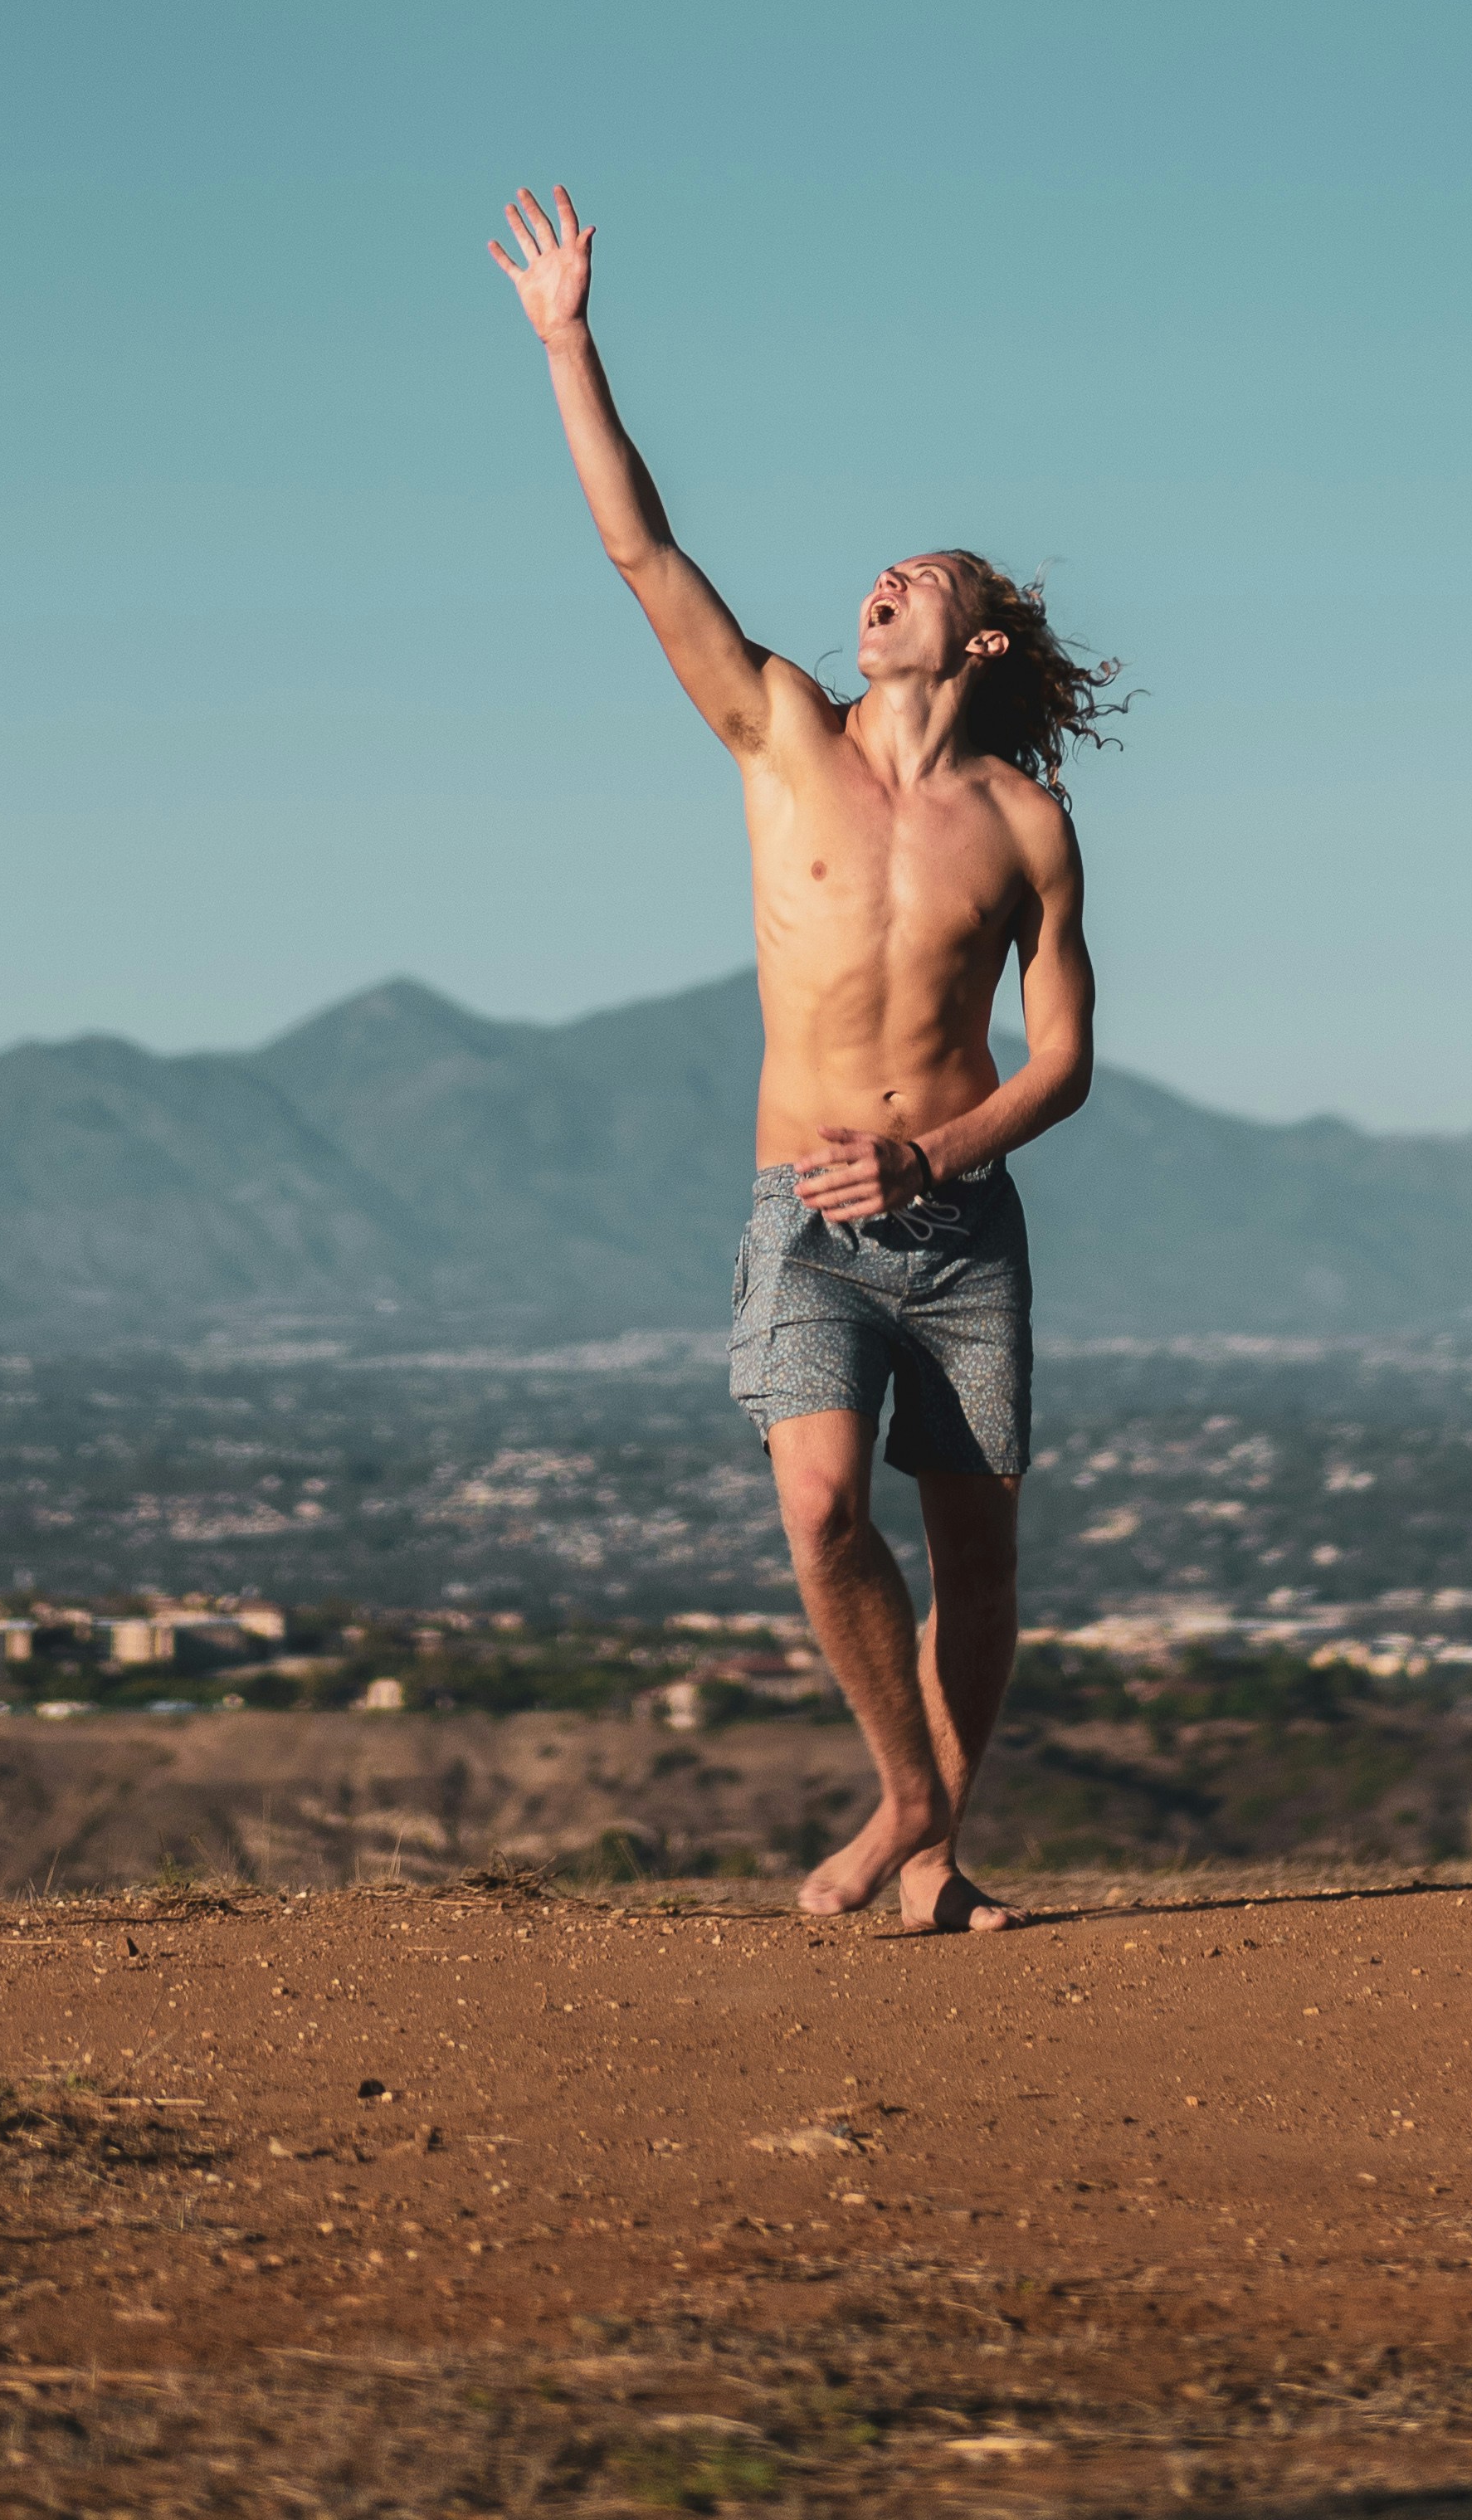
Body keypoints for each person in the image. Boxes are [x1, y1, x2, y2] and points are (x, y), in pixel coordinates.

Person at [490, 183, 1114, 1931]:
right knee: (825, 1512)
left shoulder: (1028, 823)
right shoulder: (774, 730)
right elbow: (641, 551)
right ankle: (907, 1791)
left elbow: (1060, 1057)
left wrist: (943, 1152)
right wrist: (567, 345)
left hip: (957, 1223)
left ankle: (932, 1861)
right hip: (806, 1211)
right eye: (874, 575)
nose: (879, 587)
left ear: (976, 637)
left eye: (920, 579)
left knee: (976, 1562)